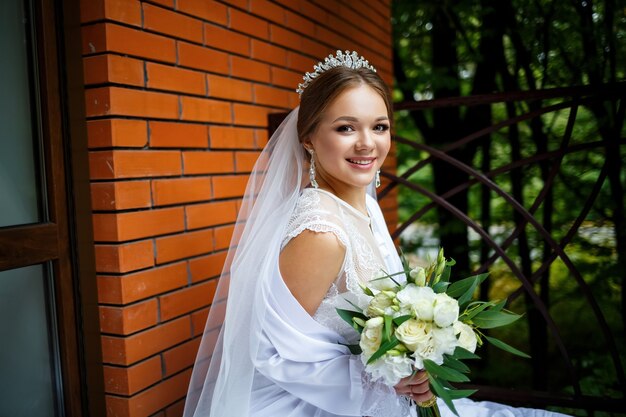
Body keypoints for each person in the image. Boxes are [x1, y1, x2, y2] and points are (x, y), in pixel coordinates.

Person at [183, 51, 569, 417]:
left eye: (379, 126)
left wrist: (417, 364)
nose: (367, 143)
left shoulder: (363, 205)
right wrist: (388, 378)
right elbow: (271, 355)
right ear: (308, 138)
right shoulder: (321, 232)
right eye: (346, 127)